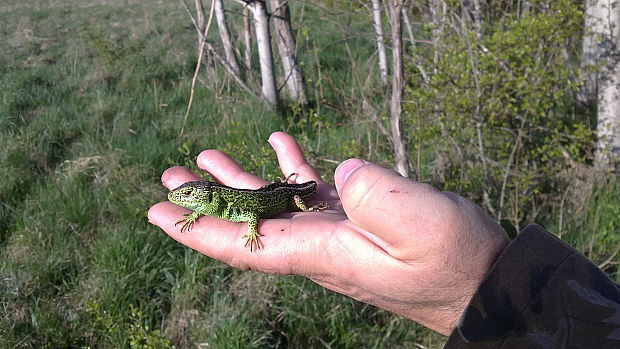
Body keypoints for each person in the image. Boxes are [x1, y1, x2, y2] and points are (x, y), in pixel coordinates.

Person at [148, 132, 620, 348]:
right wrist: (190, 216)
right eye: (187, 197)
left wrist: (258, 226)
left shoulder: (230, 202)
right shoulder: (208, 203)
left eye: (190, 194)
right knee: (281, 193)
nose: (187, 196)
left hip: (278, 200)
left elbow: (248, 208)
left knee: (293, 194)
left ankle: (303, 196)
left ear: (207, 192)